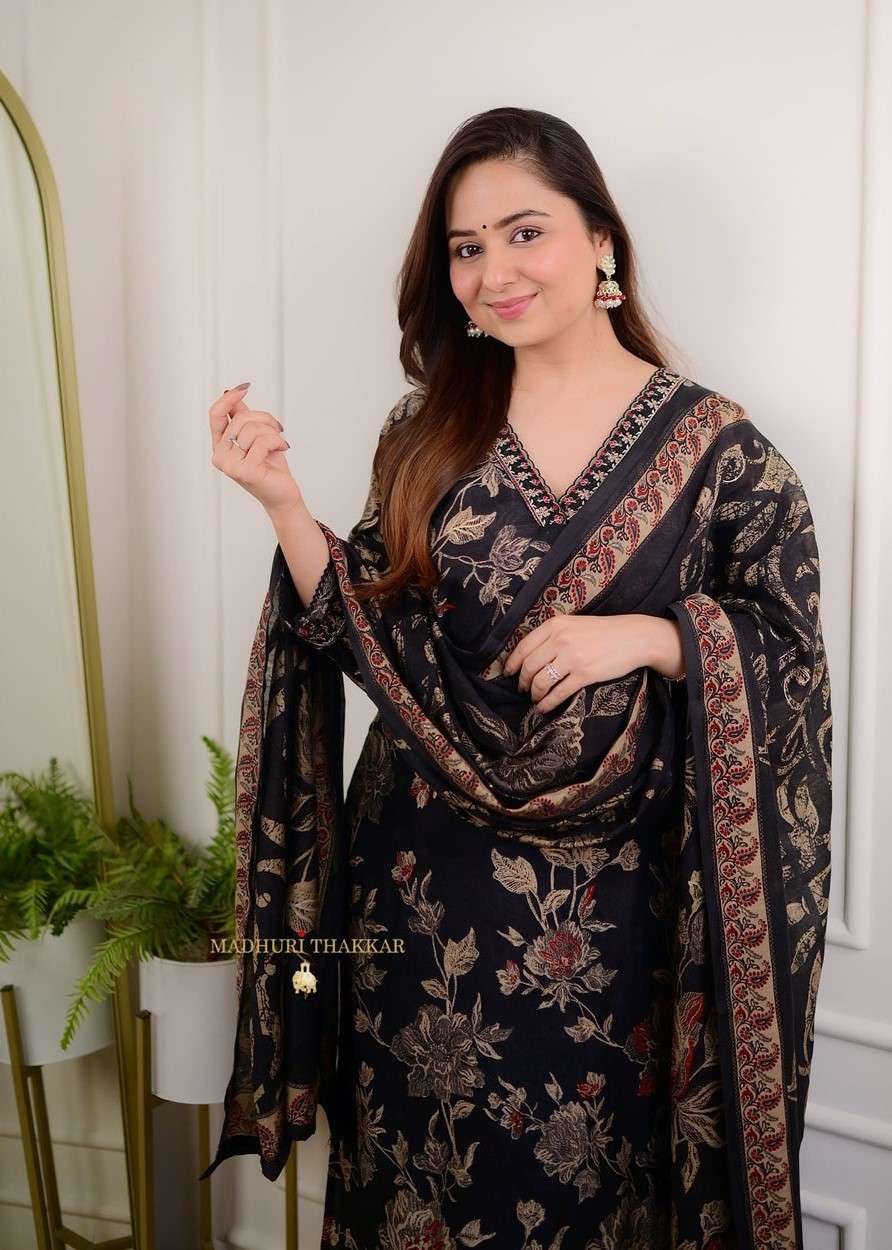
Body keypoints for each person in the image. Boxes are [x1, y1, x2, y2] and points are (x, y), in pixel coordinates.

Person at [199, 107, 832, 1250]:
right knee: (416, 1184)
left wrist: (649, 636)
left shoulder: (716, 451)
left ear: (602, 242)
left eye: (523, 232)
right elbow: (366, 630)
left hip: (609, 925)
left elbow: (786, 651)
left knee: (587, 1198)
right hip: (417, 897)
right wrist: (283, 504)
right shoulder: (429, 429)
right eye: (466, 246)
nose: (493, 272)